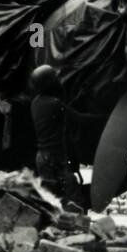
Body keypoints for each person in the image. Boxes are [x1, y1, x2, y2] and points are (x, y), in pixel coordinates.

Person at [28, 65, 88, 212]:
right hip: (55, 159)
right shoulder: (55, 104)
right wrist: (105, 119)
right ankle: (80, 230)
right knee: (75, 199)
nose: (58, 80)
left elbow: (62, 109)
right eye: (55, 78)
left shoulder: (36, 102)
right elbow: (79, 119)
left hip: (43, 158)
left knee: (53, 200)